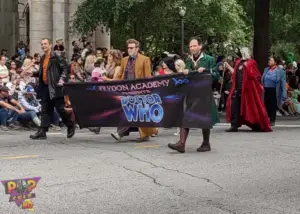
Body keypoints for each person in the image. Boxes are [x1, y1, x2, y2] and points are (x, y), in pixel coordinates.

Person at [168, 37, 220, 153]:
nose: (192, 48)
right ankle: (181, 143)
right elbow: (185, 78)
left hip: (204, 93)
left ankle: (206, 143)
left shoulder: (209, 59)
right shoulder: (187, 60)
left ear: (200, 46)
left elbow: (217, 75)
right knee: (186, 116)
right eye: (190, 46)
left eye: (194, 46)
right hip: (191, 93)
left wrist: (207, 70)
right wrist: (184, 73)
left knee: (205, 118)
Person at [111, 39, 157, 142]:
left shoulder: (145, 59)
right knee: (131, 112)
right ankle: (143, 134)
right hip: (126, 91)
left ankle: (120, 133)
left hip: (139, 91)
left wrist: (147, 91)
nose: (129, 50)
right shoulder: (124, 60)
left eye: (131, 48)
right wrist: (112, 84)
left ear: (137, 49)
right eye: (128, 48)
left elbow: (148, 77)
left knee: (134, 112)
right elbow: (120, 75)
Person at [29, 38, 75, 140]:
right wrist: (33, 73)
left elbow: (65, 68)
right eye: (42, 44)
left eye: (45, 44)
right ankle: (43, 131)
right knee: (45, 109)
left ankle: (70, 125)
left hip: (55, 87)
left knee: (60, 109)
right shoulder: (42, 58)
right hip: (45, 87)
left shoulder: (57, 56)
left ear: (50, 45)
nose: (43, 46)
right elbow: (43, 72)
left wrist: (62, 80)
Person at [224, 47, 271, 132]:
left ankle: (256, 124)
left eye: (245, 51)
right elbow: (235, 73)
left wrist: (247, 64)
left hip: (247, 89)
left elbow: (254, 75)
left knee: (250, 107)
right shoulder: (238, 62)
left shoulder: (251, 62)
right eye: (242, 51)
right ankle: (234, 126)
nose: (243, 52)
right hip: (236, 88)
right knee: (234, 106)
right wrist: (228, 66)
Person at [262, 57, 286, 126]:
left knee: (272, 105)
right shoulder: (266, 69)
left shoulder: (280, 71)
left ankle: (272, 120)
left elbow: (283, 83)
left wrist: (284, 95)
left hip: (274, 90)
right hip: (265, 89)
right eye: (269, 60)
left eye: (271, 60)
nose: (269, 61)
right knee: (265, 104)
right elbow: (262, 79)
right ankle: (266, 119)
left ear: (275, 62)